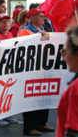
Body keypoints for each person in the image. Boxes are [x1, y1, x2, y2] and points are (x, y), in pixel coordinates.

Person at [17, 8, 54, 136]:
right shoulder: (25, 32)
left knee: (44, 96)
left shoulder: (42, 31)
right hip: (31, 71)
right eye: (41, 16)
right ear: (32, 18)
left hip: (42, 69)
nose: (44, 18)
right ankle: (29, 127)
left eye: (43, 16)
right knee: (31, 99)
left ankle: (41, 123)